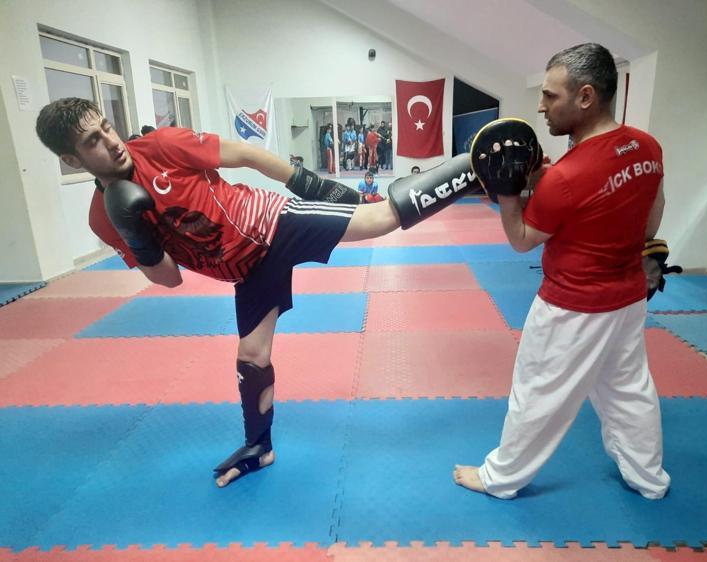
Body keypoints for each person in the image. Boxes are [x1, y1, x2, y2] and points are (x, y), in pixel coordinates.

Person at [35, 97, 480, 489]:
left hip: (273, 223)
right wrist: (138, 236)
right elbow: (170, 279)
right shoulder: (104, 218)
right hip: (245, 270)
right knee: (251, 357)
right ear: (72, 160)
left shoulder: (161, 146)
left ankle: (474, 167)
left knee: (379, 219)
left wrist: (308, 184)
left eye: (106, 127)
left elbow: (246, 154)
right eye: (92, 141)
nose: (111, 142)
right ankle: (259, 447)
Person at [454, 43, 671, 500]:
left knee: (537, 393)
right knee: (629, 390)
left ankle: (500, 478)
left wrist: (507, 192)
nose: (541, 105)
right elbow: (650, 224)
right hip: (628, 298)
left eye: (550, 95)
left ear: (586, 96)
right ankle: (648, 478)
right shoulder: (647, 147)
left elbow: (522, 240)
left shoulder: (566, 178)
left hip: (572, 307)